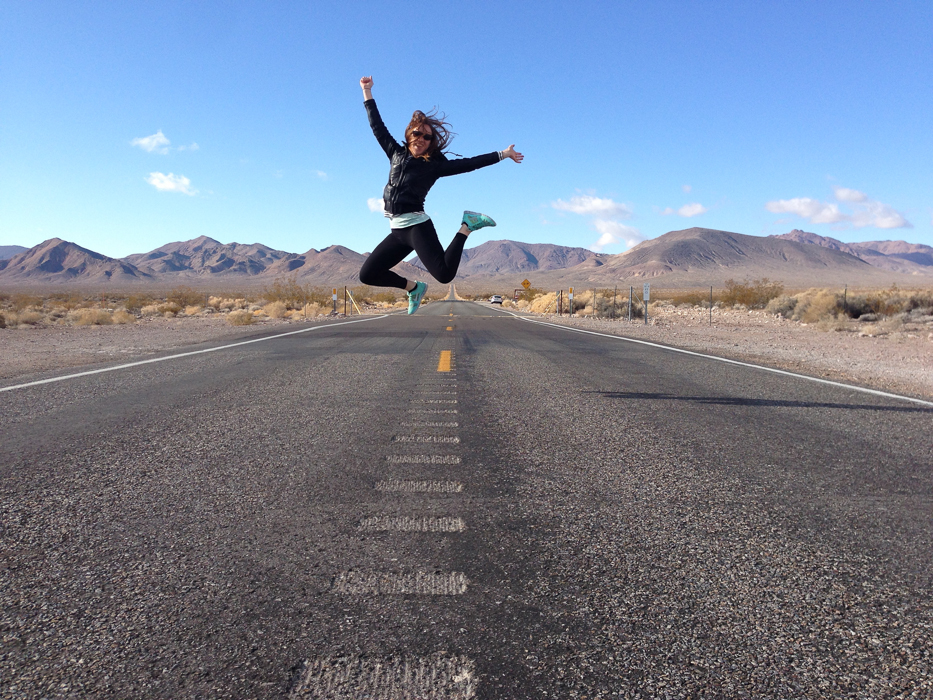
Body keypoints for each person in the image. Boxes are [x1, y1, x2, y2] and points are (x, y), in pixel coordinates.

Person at [357, 76, 524, 314]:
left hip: (416, 227)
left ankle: (467, 225)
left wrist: (503, 154)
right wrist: (367, 91)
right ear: (409, 134)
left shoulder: (434, 165)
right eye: (417, 134)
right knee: (367, 274)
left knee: (445, 275)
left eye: (427, 137)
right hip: (397, 230)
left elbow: (469, 164)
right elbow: (376, 126)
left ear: (431, 143)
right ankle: (414, 288)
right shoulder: (395, 153)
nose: (421, 140)